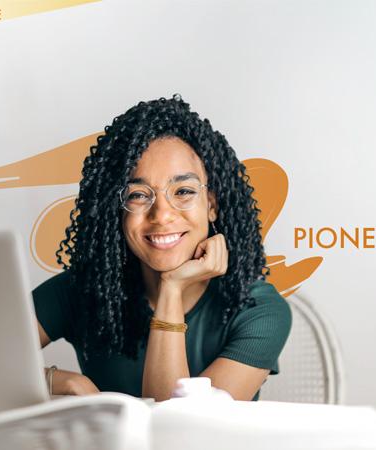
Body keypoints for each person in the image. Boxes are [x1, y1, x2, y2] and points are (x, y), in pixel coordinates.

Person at [33, 95, 291, 401]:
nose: (162, 215)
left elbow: (180, 430)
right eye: (139, 195)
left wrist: (172, 287)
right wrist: (63, 382)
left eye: (183, 191)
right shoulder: (82, 290)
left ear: (211, 205)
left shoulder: (259, 310)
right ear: (116, 209)